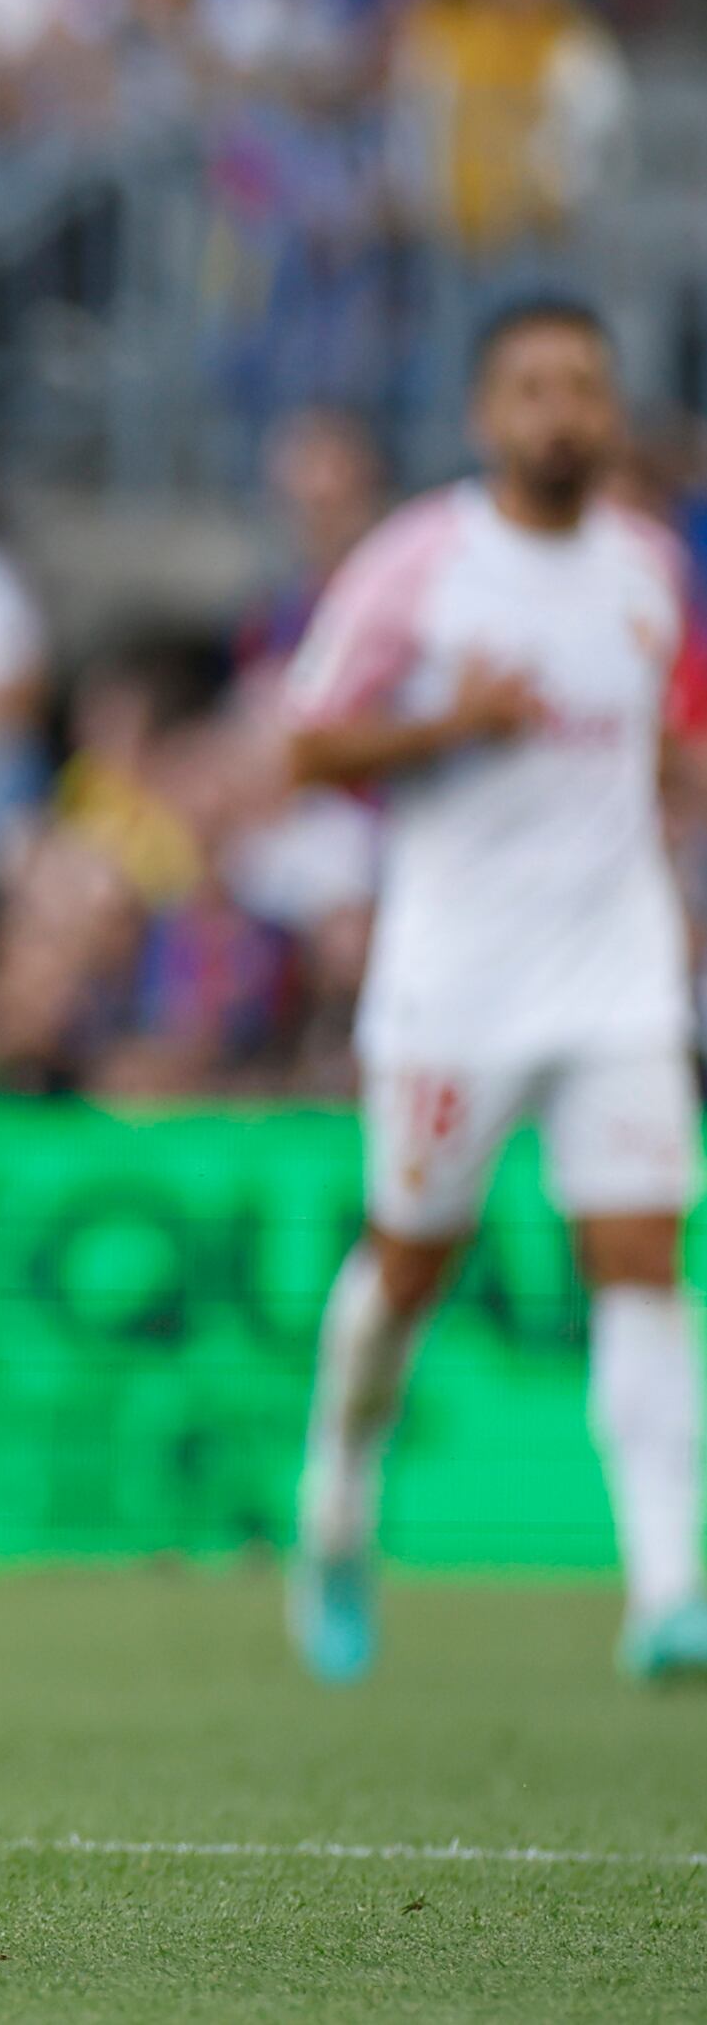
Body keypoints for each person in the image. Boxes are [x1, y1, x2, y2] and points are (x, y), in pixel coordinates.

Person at [280, 298, 707, 1687]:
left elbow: (666, 743)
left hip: (617, 975)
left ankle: (665, 1587)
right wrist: (450, 724)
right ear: (483, 416)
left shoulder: (648, 566)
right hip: (454, 983)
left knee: (641, 1259)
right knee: (409, 1263)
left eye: (582, 386)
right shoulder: (419, 563)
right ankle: (335, 1507)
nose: (560, 413)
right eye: (531, 389)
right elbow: (304, 744)